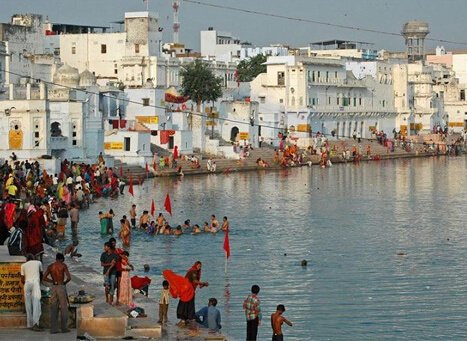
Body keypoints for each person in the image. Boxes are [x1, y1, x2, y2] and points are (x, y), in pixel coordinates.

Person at [42, 253, 71, 334]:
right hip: (61, 286)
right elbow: (69, 278)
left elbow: (44, 278)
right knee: (64, 307)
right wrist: (64, 283)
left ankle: (53, 329)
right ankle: (64, 328)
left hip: (53, 287)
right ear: (61, 259)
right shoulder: (63, 265)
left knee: (54, 307)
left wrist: (52, 281)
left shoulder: (50, 266)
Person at [176, 261, 209, 326]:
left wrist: (203, 284)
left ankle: (184, 320)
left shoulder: (193, 270)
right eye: (198, 266)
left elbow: (195, 283)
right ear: (195, 265)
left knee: (186, 305)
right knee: (187, 305)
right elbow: (194, 281)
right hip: (188, 291)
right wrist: (203, 283)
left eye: (200, 266)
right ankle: (186, 320)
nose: (199, 267)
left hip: (187, 291)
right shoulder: (194, 271)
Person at [21, 254, 43, 331]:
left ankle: (29, 324)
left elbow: (22, 280)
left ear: (27, 259)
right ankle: (35, 324)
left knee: (28, 304)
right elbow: (41, 274)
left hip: (27, 284)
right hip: (35, 283)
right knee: (36, 303)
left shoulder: (23, 265)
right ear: (33, 258)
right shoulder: (38, 262)